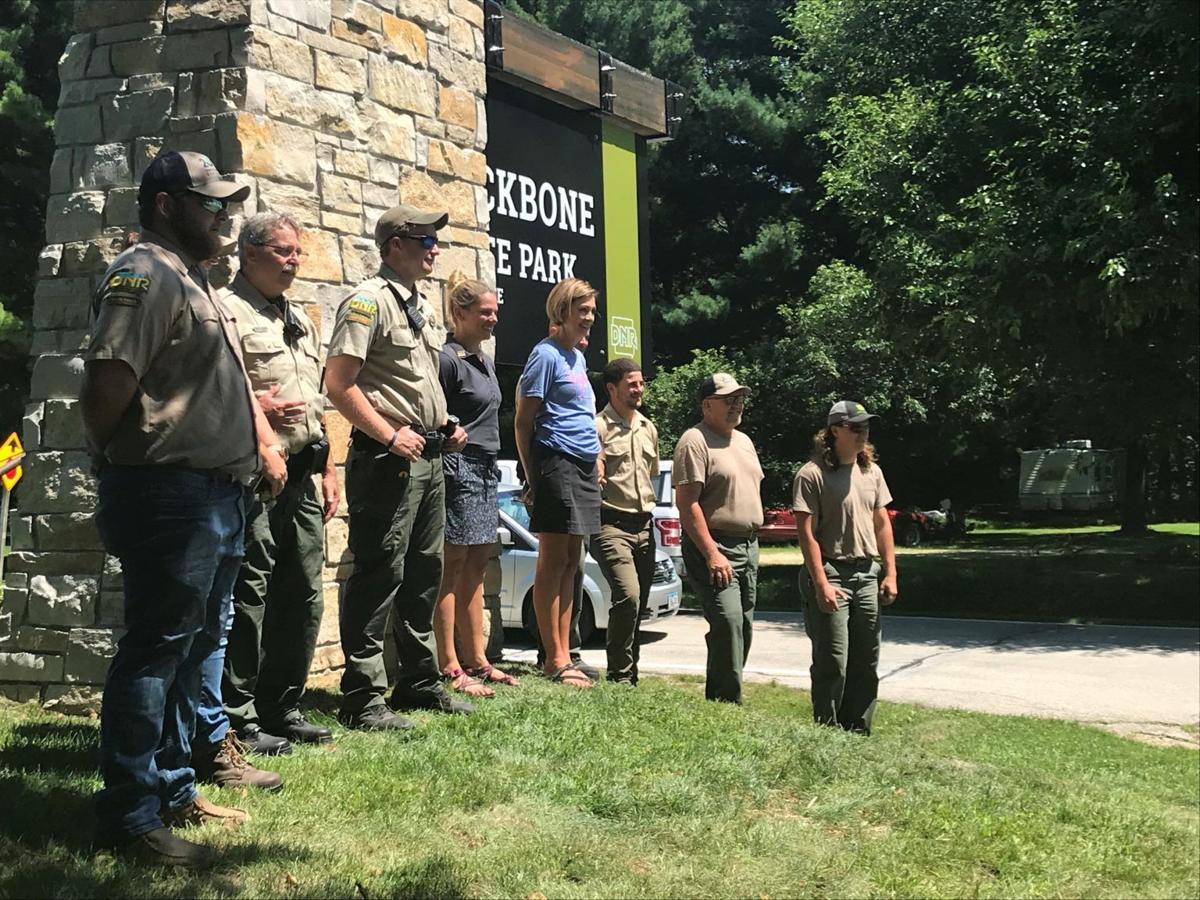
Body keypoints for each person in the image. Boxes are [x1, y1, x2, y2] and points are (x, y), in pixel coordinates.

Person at [81, 151, 282, 866]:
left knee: (189, 650)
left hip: (214, 497)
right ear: (167, 205)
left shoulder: (190, 277)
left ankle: (168, 789)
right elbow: (108, 382)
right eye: (211, 204)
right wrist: (117, 458)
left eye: (229, 206)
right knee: (154, 651)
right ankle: (129, 815)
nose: (224, 217)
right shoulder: (145, 274)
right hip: (170, 495)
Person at [325, 204, 470, 730]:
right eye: (424, 239)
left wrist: (445, 422)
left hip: (429, 457)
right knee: (380, 571)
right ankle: (363, 697)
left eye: (434, 240)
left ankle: (419, 682)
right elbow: (339, 384)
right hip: (388, 461)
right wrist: (388, 434)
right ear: (394, 246)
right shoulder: (368, 302)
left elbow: (414, 383)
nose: (434, 248)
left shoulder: (418, 305)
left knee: (424, 572)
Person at [206, 211, 339, 765]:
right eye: (284, 251)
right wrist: (257, 420)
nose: (295, 260)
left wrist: (331, 466)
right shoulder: (226, 311)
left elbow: (314, 399)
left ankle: (283, 704)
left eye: (297, 251)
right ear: (251, 252)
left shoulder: (297, 318)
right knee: (252, 592)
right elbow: (214, 390)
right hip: (258, 474)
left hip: (305, 472)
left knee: (303, 592)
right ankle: (238, 715)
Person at [514, 279, 602, 688]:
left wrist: (597, 456)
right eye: (582, 310)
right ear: (561, 312)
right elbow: (523, 419)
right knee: (552, 564)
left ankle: (566, 652)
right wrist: (533, 475)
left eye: (591, 310)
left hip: (583, 466)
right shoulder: (544, 356)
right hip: (555, 462)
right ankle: (553, 660)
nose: (589, 318)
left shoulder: (577, 359)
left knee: (573, 563)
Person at [433, 272, 518, 695]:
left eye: (495, 313)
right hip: (459, 467)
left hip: (486, 468)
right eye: (485, 312)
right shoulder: (447, 358)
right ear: (459, 312)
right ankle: (449, 664)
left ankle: (478, 659)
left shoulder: (482, 359)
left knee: (477, 568)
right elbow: (435, 412)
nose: (492, 320)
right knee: (453, 568)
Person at [794, 401, 898, 735]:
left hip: (867, 574)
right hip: (831, 573)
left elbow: (882, 523)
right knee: (833, 659)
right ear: (835, 430)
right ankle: (827, 730)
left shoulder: (872, 472)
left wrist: (891, 572)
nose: (862, 433)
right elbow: (806, 534)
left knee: (866, 658)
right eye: (855, 427)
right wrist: (820, 583)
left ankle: (858, 730)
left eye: (865, 427)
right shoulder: (811, 474)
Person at [672, 373, 763, 703]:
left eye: (740, 399)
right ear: (707, 405)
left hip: (748, 546)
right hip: (716, 545)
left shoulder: (744, 441)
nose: (737, 405)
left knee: (745, 627)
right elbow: (688, 503)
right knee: (728, 623)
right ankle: (726, 703)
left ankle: (724, 695)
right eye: (729, 400)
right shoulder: (694, 441)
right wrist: (711, 553)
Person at [594, 358, 660, 685]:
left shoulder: (648, 428)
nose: (639, 390)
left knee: (640, 604)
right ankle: (618, 677)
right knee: (628, 595)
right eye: (631, 384)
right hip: (610, 524)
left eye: (641, 383)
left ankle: (631, 675)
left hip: (645, 525)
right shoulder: (598, 427)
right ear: (612, 388)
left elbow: (650, 475)